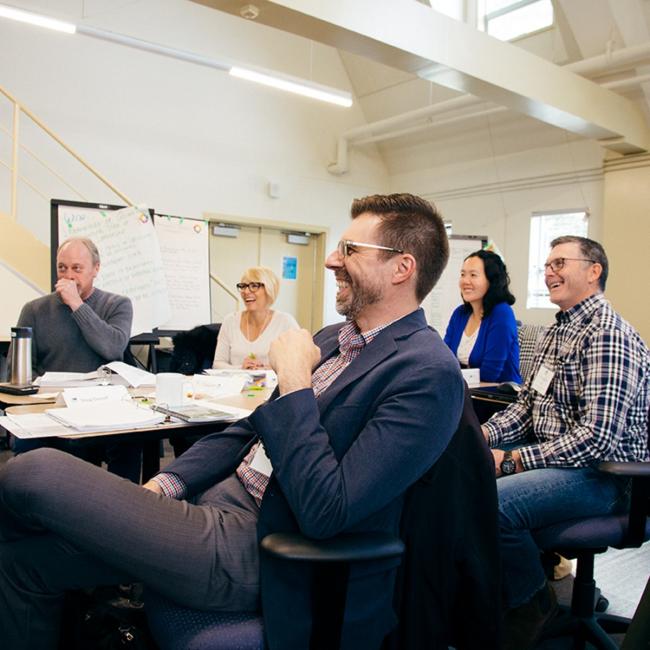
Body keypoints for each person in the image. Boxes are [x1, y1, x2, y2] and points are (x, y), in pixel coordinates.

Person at [0, 193, 465, 650]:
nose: (330, 261)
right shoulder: (334, 338)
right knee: (21, 562)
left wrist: (296, 380)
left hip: (256, 543)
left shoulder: (426, 372)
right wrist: (167, 483)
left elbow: (328, 510)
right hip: (209, 504)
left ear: (402, 268)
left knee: (34, 470)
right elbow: (248, 430)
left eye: (349, 250)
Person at [482, 236, 649, 650]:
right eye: (547, 264)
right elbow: (526, 408)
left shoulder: (608, 335)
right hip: (562, 466)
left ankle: (533, 605)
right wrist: (479, 436)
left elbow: (597, 437)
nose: (549, 271)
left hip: (606, 479)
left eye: (560, 262)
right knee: (468, 484)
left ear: (594, 272)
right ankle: (514, 599)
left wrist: (512, 461)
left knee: (493, 503)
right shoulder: (559, 333)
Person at [7, 237, 139, 483]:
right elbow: (20, 371)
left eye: (77, 268)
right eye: (62, 268)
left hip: (101, 407)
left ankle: (122, 510)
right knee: (25, 448)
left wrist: (77, 305)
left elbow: (113, 348)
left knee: (130, 443)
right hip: (50, 407)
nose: (68, 276)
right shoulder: (34, 310)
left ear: (96, 269)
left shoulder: (117, 304)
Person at [444, 249, 522, 383]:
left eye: (473, 275)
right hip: (464, 393)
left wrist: (452, 375)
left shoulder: (502, 313)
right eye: (463, 274)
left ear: (491, 280)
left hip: (497, 397)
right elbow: (444, 361)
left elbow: (490, 374)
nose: (465, 281)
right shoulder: (460, 314)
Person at [213, 266, 299, 370]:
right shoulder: (230, 321)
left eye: (254, 286)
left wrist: (266, 368)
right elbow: (218, 364)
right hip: (237, 385)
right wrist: (241, 368)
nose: (246, 291)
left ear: (269, 289)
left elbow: (298, 362)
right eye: (243, 286)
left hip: (272, 385)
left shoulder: (286, 322)